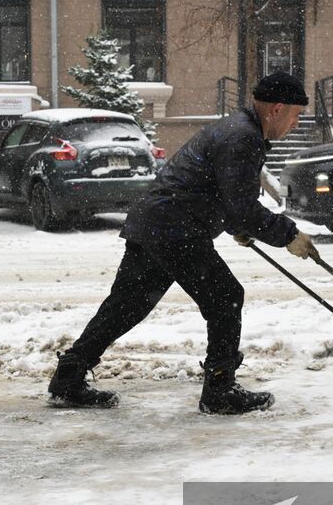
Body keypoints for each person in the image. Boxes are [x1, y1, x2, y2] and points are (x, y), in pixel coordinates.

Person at [48, 71, 315, 416]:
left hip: (156, 222)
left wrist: (237, 223)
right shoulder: (243, 138)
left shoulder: (239, 129)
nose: (295, 124)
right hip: (175, 228)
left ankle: (68, 377)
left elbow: (224, 195)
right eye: (296, 116)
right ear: (277, 109)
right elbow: (243, 207)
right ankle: (220, 389)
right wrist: (289, 235)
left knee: (127, 305)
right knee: (225, 296)